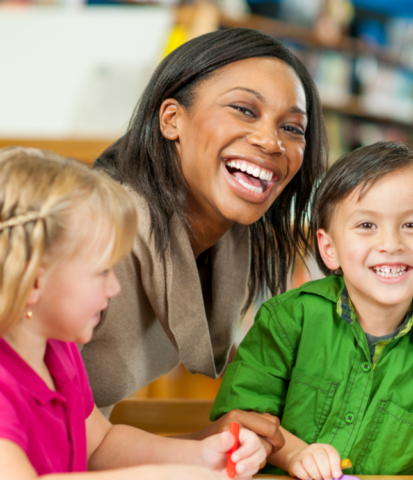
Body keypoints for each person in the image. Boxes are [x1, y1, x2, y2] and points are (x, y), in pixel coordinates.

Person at [210, 141, 413, 479]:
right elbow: (240, 417)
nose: (391, 244)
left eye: (412, 225)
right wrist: (295, 454)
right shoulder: (287, 320)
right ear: (329, 247)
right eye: (366, 225)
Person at [80, 27, 328, 450]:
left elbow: (85, 436)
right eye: (244, 110)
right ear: (172, 119)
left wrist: (208, 442)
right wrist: (197, 450)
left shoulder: (228, 251)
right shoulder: (94, 231)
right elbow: (44, 423)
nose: (271, 141)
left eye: (292, 127)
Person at [0, 148, 267, 479]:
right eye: (100, 272)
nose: (114, 288)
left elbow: (99, 445)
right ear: (34, 280)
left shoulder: (59, 352)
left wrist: (199, 456)